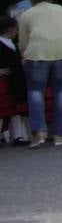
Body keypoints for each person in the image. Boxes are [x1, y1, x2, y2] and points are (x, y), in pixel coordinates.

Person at [18, 0, 62, 148]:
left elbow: (23, 41)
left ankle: (39, 132)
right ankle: (58, 134)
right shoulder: (60, 9)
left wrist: (24, 54)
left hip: (38, 52)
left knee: (35, 90)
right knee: (61, 90)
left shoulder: (27, 14)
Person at [0, 17, 29, 146]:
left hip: (16, 80)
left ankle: (17, 136)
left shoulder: (13, 44)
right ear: (11, 28)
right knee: (3, 110)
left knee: (16, 110)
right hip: (4, 81)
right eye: (16, 29)